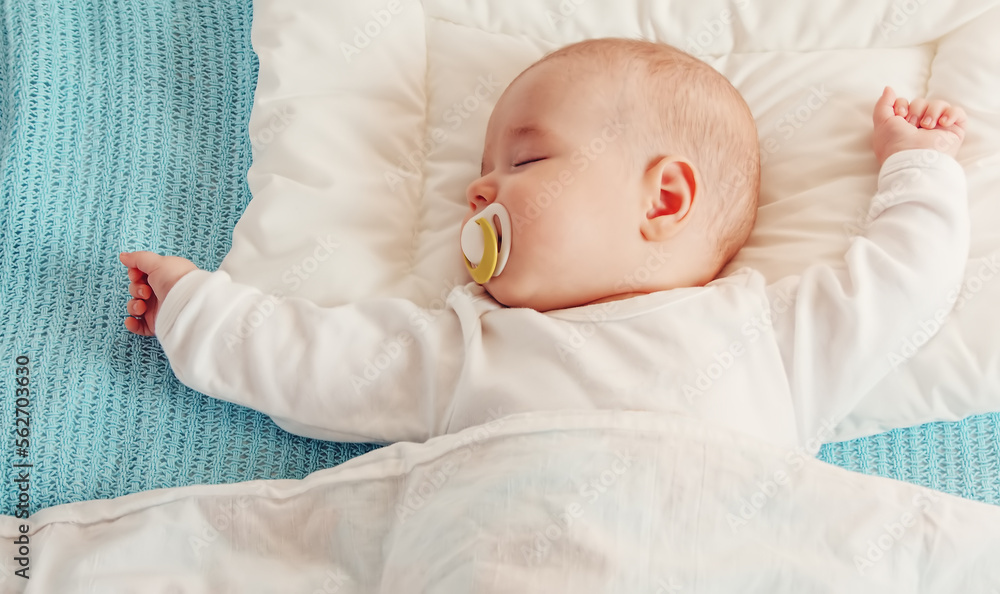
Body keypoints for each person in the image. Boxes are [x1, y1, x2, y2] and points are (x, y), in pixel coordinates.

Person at [118, 38, 969, 451]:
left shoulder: (769, 336)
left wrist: (918, 166)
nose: (477, 190)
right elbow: (317, 363)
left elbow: (905, 283)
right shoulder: (467, 347)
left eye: (524, 159)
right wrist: (198, 308)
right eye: (484, 170)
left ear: (664, 197)